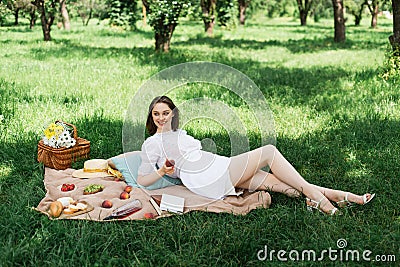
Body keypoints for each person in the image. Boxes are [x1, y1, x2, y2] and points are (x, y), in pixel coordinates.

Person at [137, 96, 375, 215]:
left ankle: (340, 196)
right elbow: (142, 180)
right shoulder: (152, 144)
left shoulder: (181, 133)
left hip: (218, 167)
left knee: (278, 184)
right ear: (152, 116)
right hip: (205, 178)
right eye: (156, 114)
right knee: (268, 152)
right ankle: (321, 201)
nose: (161, 117)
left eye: (165, 112)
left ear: (172, 113)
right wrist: (161, 171)